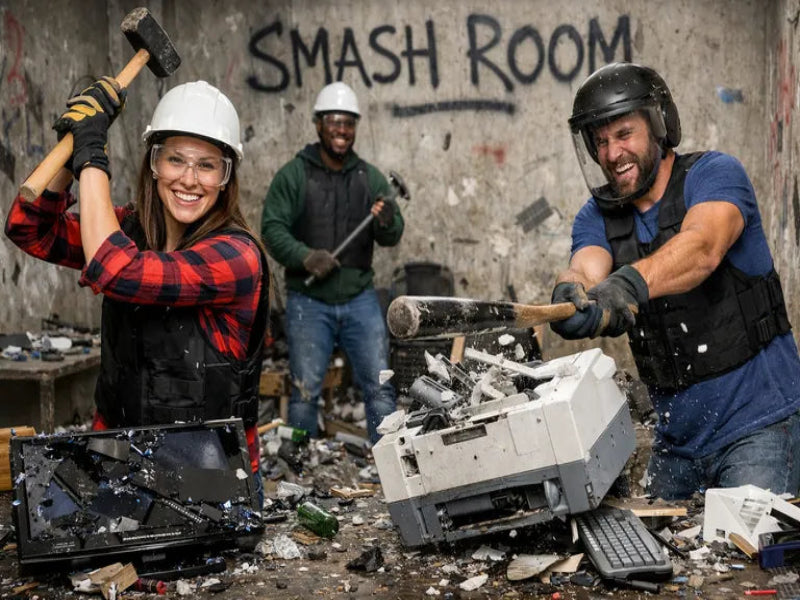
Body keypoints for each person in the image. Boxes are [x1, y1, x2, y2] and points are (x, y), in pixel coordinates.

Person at [5, 79, 270, 500]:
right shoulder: (129, 229)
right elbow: (29, 229)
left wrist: (93, 156)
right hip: (119, 460)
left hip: (211, 478)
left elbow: (118, 271)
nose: (189, 179)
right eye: (175, 160)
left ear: (226, 176)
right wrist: (73, 149)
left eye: (207, 165)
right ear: (153, 163)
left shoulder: (235, 256)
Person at [550, 62, 800, 500]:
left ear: (658, 124)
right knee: (659, 558)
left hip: (760, 428)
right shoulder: (597, 216)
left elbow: (702, 247)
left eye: (624, 134)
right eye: (601, 141)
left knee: (741, 563)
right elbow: (586, 267)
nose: (611, 154)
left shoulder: (714, 175)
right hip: (676, 446)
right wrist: (573, 291)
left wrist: (627, 285)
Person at [261, 81, 404, 444]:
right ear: (318, 124)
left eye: (349, 123)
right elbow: (272, 228)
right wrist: (305, 257)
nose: (342, 130)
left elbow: (392, 235)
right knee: (305, 392)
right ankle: (299, 470)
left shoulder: (369, 178)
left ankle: (388, 461)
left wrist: (387, 220)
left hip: (359, 299)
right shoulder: (295, 175)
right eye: (335, 121)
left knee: (380, 387)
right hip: (308, 304)